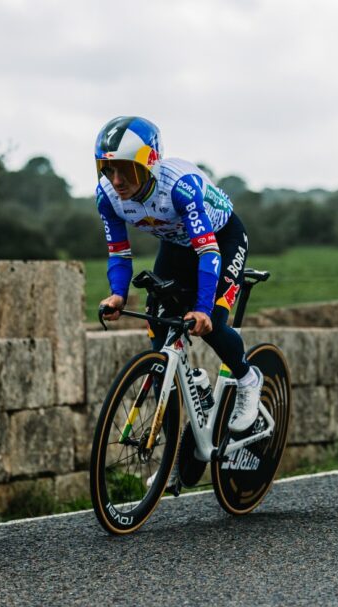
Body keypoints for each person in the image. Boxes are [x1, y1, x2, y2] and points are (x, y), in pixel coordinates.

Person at [94, 116, 262, 432]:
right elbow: (119, 251)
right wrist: (118, 293)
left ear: (149, 164)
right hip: (175, 247)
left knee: (210, 321)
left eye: (126, 169)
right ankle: (171, 451)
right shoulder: (108, 197)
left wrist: (201, 307)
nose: (116, 181)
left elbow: (208, 251)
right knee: (159, 338)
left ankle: (247, 378)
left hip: (221, 240)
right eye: (108, 169)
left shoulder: (180, 188)